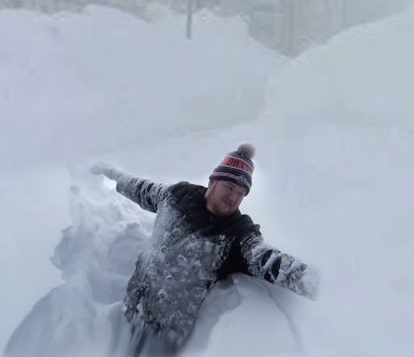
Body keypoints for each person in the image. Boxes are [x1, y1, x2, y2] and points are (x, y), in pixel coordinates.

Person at [90, 143, 319, 355]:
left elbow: (265, 258)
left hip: (164, 335)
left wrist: (312, 280)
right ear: (212, 182)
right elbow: (142, 189)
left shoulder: (238, 232)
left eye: (241, 193)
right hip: (132, 306)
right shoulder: (177, 196)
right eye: (229, 187)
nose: (234, 197)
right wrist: (111, 173)